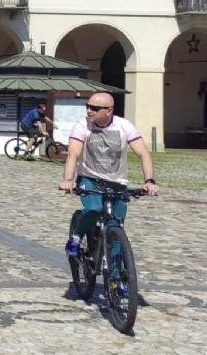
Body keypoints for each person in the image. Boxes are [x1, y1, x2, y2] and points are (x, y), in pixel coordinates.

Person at [59, 93, 158, 295]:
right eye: (88, 106)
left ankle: (115, 280)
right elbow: (73, 154)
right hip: (89, 179)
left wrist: (149, 181)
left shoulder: (124, 126)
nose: (89, 111)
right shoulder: (82, 125)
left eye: (94, 108)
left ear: (109, 111)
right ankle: (76, 237)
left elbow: (143, 153)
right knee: (94, 208)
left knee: (115, 228)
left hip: (117, 183)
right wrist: (68, 179)